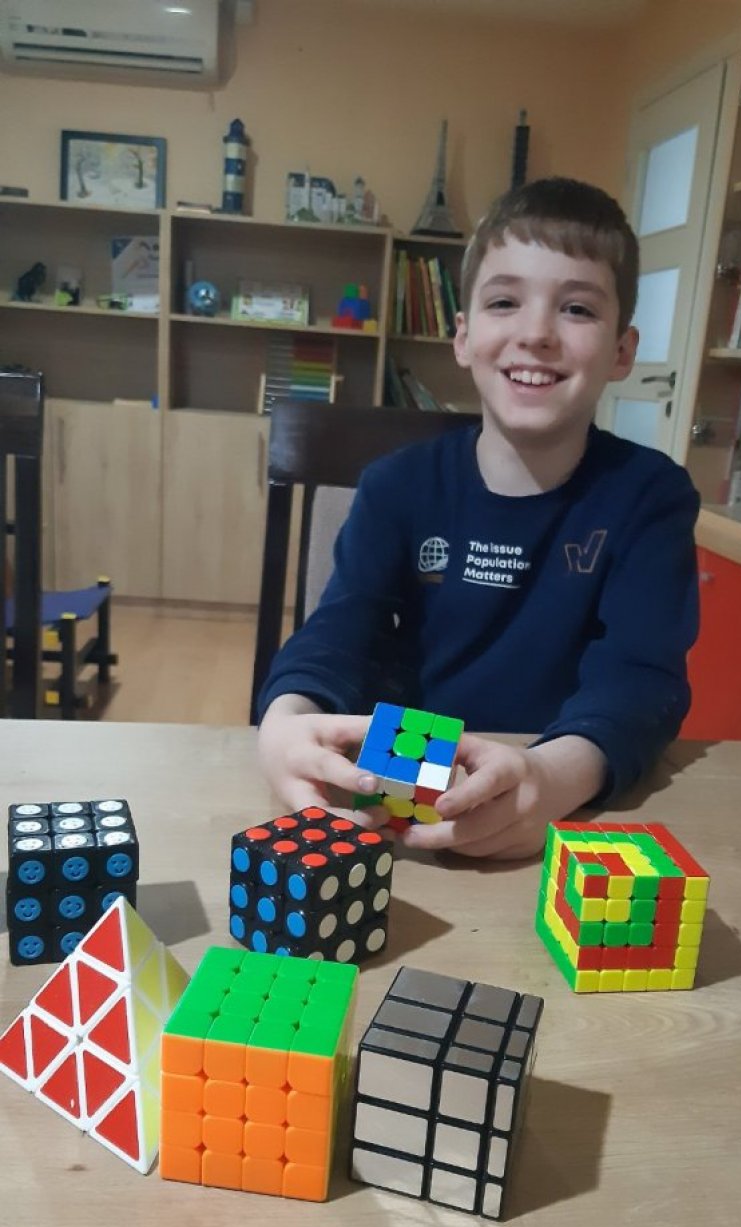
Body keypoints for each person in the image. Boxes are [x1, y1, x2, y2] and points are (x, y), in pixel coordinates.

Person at [256, 177, 699, 859]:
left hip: (559, 800)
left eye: (577, 308)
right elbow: (340, 630)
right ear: (463, 336)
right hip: (393, 812)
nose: (537, 334)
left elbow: (642, 679)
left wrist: (553, 775)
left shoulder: (651, 496)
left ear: (622, 350)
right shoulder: (396, 485)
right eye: (503, 302)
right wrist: (285, 721)